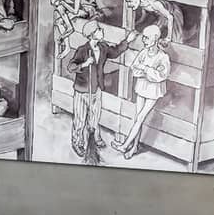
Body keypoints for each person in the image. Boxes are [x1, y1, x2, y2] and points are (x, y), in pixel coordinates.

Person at [66, 20, 135, 158]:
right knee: (80, 119)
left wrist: (127, 41)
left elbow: (115, 52)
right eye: (99, 30)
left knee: (95, 117)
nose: (102, 31)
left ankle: (95, 138)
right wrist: (84, 64)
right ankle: (77, 142)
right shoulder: (82, 50)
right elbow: (71, 67)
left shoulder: (103, 47)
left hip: (96, 89)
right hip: (82, 90)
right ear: (92, 35)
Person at [114, 24, 170, 159]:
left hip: (153, 91)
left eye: (147, 38)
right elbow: (134, 69)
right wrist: (148, 71)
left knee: (140, 118)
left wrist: (145, 69)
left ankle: (125, 145)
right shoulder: (144, 52)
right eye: (143, 37)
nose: (144, 40)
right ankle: (134, 147)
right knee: (138, 118)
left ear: (155, 39)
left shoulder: (163, 57)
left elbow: (161, 76)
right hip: (142, 87)